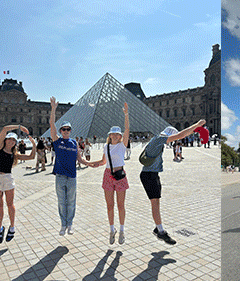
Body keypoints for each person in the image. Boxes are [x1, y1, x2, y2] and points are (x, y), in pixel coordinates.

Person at [138, 119, 207, 245]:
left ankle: (157, 227)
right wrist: (197, 125)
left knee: (156, 203)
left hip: (152, 175)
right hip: (149, 176)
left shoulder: (156, 139)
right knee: (155, 204)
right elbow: (182, 135)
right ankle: (161, 232)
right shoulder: (160, 139)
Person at [85, 103, 131, 243]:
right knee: (110, 206)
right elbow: (104, 161)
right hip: (107, 176)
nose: (116, 136)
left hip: (120, 175)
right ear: (110, 135)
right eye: (113, 134)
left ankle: (122, 230)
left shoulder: (122, 145)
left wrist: (126, 114)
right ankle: (112, 230)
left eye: (118, 134)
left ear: (120, 136)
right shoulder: (106, 146)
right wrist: (92, 164)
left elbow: (127, 129)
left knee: (120, 205)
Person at [49, 99, 88, 236]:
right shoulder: (57, 141)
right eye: (64, 129)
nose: (66, 131)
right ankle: (63, 224)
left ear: (71, 131)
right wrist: (53, 108)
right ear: (61, 131)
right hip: (60, 176)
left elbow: (79, 158)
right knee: (61, 202)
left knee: (71, 202)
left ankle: (70, 224)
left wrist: (90, 164)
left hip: (72, 177)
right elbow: (51, 125)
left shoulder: (74, 143)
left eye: (68, 129)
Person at [0, 124, 35, 243]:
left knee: (10, 204)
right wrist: (20, 127)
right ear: (5, 140)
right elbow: (4, 128)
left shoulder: (15, 155)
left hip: (7, 178)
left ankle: (12, 227)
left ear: (15, 143)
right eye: (9, 139)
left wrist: (34, 144)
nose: (11, 141)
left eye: (13, 140)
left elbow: (31, 156)